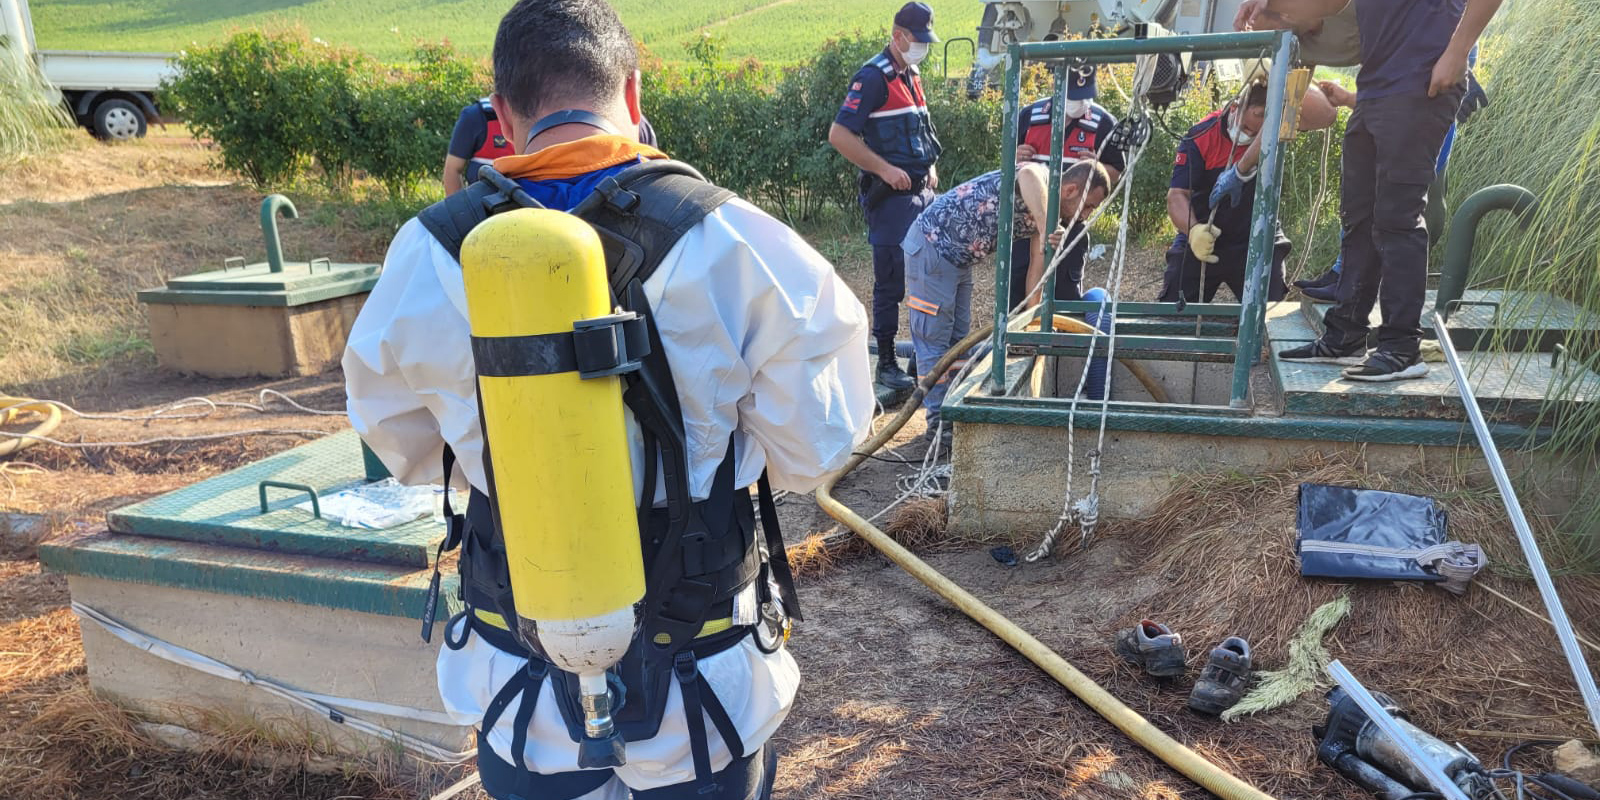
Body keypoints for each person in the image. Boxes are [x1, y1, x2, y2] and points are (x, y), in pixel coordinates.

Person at [343, 2, 875, 798]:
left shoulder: (429, 251)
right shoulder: (739, 241)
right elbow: (818, 446)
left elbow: (405, 444)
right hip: (702, 689)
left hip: (520, 685)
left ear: (500, 111)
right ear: (632, 89)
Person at [1239, 0, 1505, 381]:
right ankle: (1345, 333)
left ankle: (1401, 349)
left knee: (1397, 217)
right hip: (1376, 86)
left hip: (1423, 78)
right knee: (1358, 216)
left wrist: (1458, 51)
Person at [904, 160, 1110, 440]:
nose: (1086, 215)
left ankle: (951, 415)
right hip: (932, 244)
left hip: (958, 259)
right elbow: (1026, 173)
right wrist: (1043, 220)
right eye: (1088, 206)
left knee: (958, 340)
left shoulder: (1051, 217)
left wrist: (1034, 325)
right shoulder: (1042, 180)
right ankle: (939, 425)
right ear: (1071, 189)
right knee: (934, 339)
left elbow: (1036, 274)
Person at [828, 1, 942, 393]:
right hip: (892, 201)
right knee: (891, 284)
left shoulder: (910, 73)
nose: (922, 46)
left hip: (921, 194)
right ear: (897, 36)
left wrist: (927, 168)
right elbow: (840, 135)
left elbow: (915, 131)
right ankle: (888, 363)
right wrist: (883, 169)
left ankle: (922, 359)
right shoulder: (873, 77)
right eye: (917, 40)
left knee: (925, 280)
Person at [1159, 80, 1335, 304]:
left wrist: (1281, 74)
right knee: (1172, 308)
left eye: (1257, 133)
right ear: (1235, 107)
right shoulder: (1202, 135)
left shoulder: (1280, 127)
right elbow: (1177, 195)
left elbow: (1326, 116)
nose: (1249, 135)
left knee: (1270, 312)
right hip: (1207, 232)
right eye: (1247, 128)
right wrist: (1193, 231)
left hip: (1257, 234)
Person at [1006, 64, 1126, 308]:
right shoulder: (1029, 116)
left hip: (1071, 223)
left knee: (1065, 287)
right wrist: (1014, 156)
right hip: (1026, 220)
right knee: (1020, 281)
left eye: (1083, 97)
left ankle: (1063, 340)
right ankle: (1018, 339)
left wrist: (1097, 167)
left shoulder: (1103, 122)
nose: (1078, 103)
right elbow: (1004, 165)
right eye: (1073, 97)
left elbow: (1117, 172)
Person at [443, 95, 658, 195]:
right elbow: (452, 171)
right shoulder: (478, 118)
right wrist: (465, 222)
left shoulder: (639, 127)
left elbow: (650, 177)